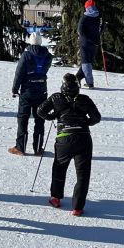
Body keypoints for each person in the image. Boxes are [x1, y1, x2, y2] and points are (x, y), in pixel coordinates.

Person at [37, 73, 102, 215]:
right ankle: (77, 207)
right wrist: (86, 122)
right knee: (83, 173)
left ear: (63, 85)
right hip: (83, 138)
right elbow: (97, 117)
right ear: (77, 86)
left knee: (59, 167)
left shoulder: (56, 97)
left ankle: (55, 198)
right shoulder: (85, 99)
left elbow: (40, 110)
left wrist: (52, 116)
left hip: (64, 138)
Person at [10, 31, 53, 156]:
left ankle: (20, 147)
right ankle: (38, 148)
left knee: (23, 119)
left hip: (27, 91)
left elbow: (19, 73)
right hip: (41, 90)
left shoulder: (26, 55)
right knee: (40, 119)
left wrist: (15, 88)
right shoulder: (48, 56)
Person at [77, 0, 103, 88]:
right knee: (88, 62)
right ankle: (78, 77)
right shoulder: (98, 16)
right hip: (95, 43)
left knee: (86, 62)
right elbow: (101, 28)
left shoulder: (85, 18)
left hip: (85, 44)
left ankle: (90, 83)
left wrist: (87, 39)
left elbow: (80, 31)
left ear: (87, 8)